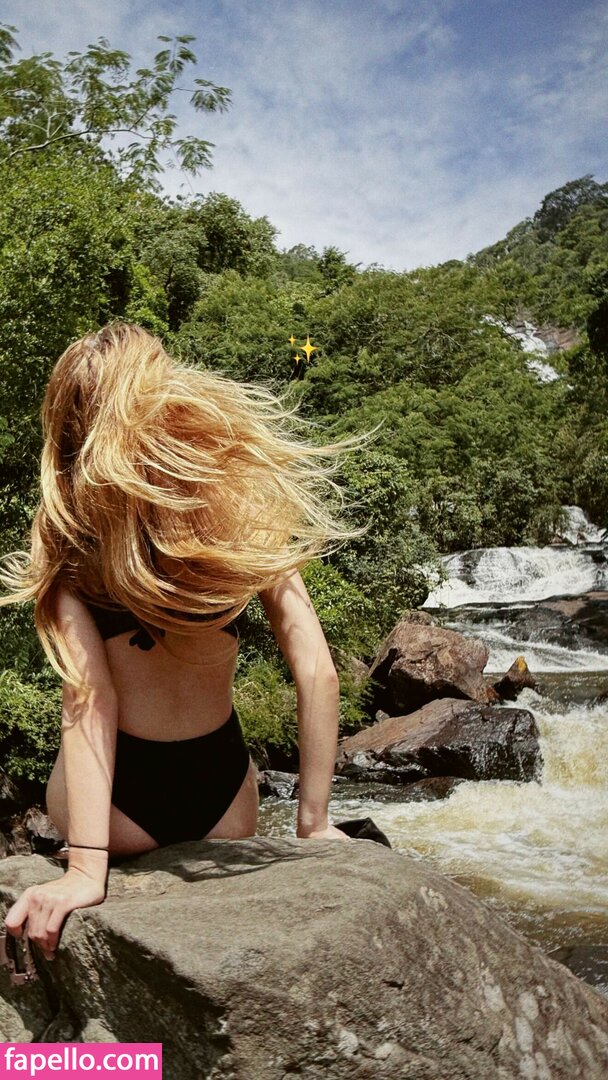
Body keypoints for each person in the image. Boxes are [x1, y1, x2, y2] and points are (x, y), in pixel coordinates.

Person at [0, 323, 358, 963]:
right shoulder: (244, 521)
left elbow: (90, 702)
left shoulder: (67, 544)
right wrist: (315, 823)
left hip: (114, 812)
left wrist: (86, 870)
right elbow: (316, 671)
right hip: (226, 803)